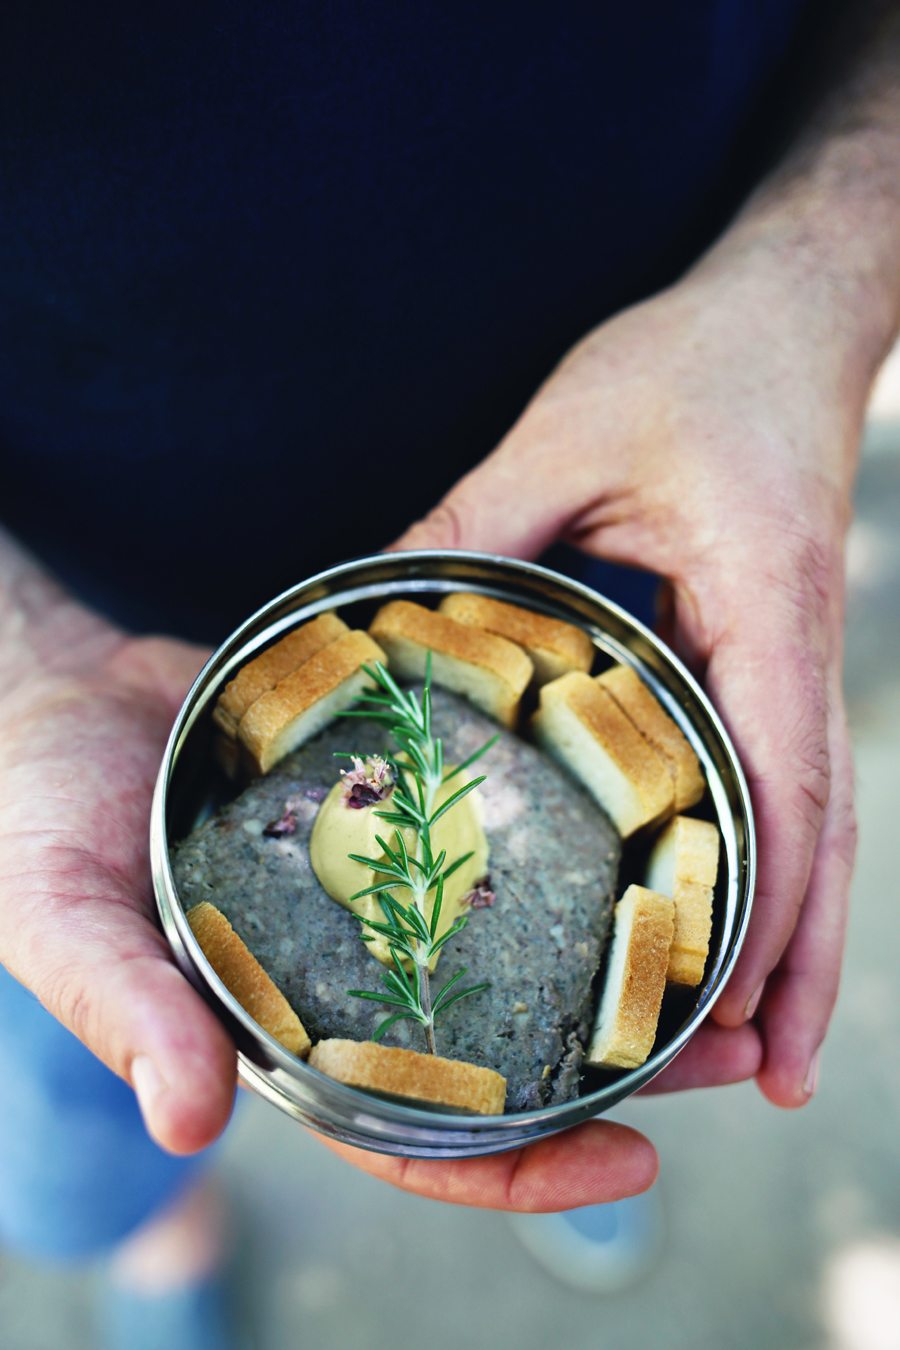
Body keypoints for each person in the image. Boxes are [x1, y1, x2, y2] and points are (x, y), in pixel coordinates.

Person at [0, 2, 898, 1344]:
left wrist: (822, 263)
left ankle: (548, 1074)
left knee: (621, 1033)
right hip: (75, 632)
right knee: (103, 1098)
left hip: (615, 493)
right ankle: (161, 1228)